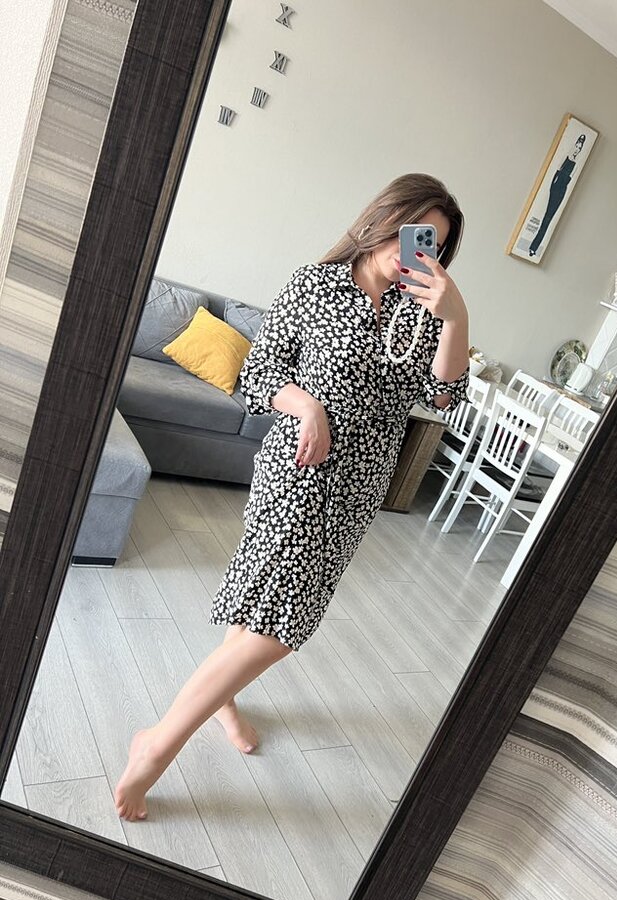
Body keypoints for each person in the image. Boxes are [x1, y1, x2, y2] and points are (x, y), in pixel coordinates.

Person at [114, 173, 470, 821]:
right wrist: (306, 404)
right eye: (412, 232)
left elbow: (442, 398)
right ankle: (158, 743)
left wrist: (455, 316)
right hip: (299, 471)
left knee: (264, 601)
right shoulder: (316, 283)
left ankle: (221, 698)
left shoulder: (424, 314)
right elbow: (259, 374)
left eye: (434, 245)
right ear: (382, 221)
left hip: (360, 488)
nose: (417, 252)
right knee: (283, 623)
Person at [528, 133, 586, 257]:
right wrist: (553, 186)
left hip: (561, 191)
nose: (577, 149)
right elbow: (557, 173)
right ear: (575, 145)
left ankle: (534, 247)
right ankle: (533, 247)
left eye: (580, 148)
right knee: (546, 218)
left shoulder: (577, 163)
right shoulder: (566, 158)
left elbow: (569, 180)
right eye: (577, 145)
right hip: (555, 188)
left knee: (548, 219)